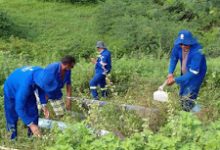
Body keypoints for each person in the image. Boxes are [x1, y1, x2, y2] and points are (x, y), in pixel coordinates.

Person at [4, 65, 59, 139]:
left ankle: (32, 137)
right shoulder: (24, 88)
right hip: (11, 90)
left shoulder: (42, 73)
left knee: (33, 112)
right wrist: (31, 125)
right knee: (12, 116)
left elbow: (41, 88)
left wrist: (44, 105)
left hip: (27, 84)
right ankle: (12, 138)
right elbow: (19, 108)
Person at [167, 30, 207, 111]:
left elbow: (192, 74)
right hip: (185, 70)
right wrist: (170, 73)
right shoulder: (178, 46)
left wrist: (175, 80)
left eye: (185, 44)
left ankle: (197, 112)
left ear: (191, 42)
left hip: (196, 74)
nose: (183, 46)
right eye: (181, 44)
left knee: (189, 94)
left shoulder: (198, 51)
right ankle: (188, 110)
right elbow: (173, 59)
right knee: (182, 92)